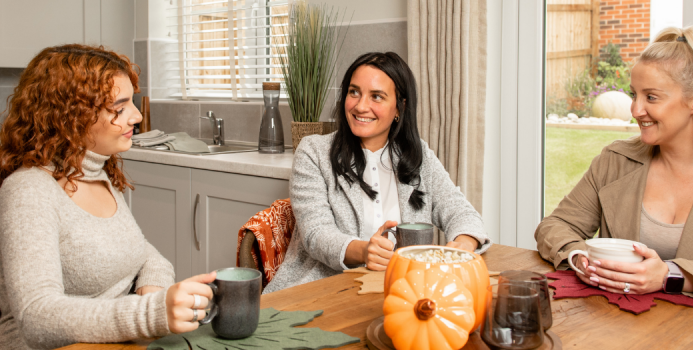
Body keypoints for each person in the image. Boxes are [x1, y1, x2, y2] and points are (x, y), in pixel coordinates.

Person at [0, 45, 215, 350]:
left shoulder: (97, 173)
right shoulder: (28, 191)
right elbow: (37, 315)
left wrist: (154, 293)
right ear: (72, 116)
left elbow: (144, 254)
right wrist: (151, 313)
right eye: (120, 107)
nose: (137, 116)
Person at [264, 52, 490, 293]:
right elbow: (316, 235)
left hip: (408, 289)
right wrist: (364, 251)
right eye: (354, 92)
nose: (361, 106)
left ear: (399, 109)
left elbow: (460, 211)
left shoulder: (417, 155)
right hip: (324, 290)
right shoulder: (314, 152)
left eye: (377, 97)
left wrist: (464, 243)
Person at [536, 25, 693, 297]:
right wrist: (580, 257)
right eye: (634, 94)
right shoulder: (615, 162)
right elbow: (555, 226)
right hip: (618, 328)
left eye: (651, 97)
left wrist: (671, 274)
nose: (635, 110)